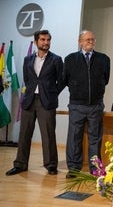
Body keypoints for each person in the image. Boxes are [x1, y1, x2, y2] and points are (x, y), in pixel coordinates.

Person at [6, 30, 64, 176]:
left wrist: (52, 92)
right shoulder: (28, 59)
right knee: (24, 134)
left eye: (48, 40)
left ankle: (51, 165)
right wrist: (33, 90)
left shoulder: (56, 59)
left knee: (48, 134)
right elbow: (27, 79)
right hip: (29, 101)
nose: (46, 42)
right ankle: (20, 164)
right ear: (36, 41)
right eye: (43, 39)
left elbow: (62, 80)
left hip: (47, 101)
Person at [63, 30, 110, 178]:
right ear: (80, 41)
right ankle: (73, 168)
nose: (90, 41)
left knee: (95, 138)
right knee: (74, 137)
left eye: (92, 39)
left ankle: (95, 168)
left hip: (95, 105)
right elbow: (65, 79)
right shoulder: (70, 59)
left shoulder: (104, 59)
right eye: (87, 39)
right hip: (76, 105)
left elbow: (106, 79)